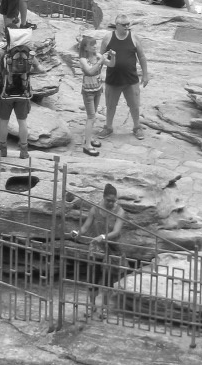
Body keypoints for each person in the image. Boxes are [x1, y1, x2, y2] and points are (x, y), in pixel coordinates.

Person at [69, 182, 125, 318]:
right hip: (97, 249)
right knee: (92, 279)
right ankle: (92, 306)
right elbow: (86, 227)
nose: (111, 203)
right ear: (103, 197)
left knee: (107, 281)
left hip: (111, 249)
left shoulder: (120, 212)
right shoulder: (95, 209)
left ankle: (104, 309)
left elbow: (117, 231)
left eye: (113, 201)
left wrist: (103, 236)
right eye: (108, 200)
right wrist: (78, 232)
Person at [101, 12, 150, 139]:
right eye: (124, 25)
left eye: (128, 24)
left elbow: (141, 56)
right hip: (113, 79)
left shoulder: (134, 38)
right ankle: (108, 127)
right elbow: (101, 57)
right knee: (110, 105)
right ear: (116, 25)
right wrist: (96, 73)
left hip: (131, 79)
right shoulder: (107, 38)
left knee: (134, 105)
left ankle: (137, 127)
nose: (126, 27)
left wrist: (145, 74)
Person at [0, 28, 33, 159]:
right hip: (23, 93)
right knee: (22, 122)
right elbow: (40, 69)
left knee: (4, 121)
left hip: (6, 93)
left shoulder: (1, 53)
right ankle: (24, 151)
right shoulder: (28, 53)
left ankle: (3, 149)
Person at [77, 33, 106, 154]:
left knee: (93, 116)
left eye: (95, 44)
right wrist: (101, 61)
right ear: (85, 48)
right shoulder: (83, 60)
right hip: (88, 91)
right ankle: (87, 145)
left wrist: (112, 57)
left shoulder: (98, 56)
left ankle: (89, 138)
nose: (95, 47)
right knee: (91, 117)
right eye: (92, 45)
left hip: (97, 89)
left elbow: (111, 64)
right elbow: (89, 71)